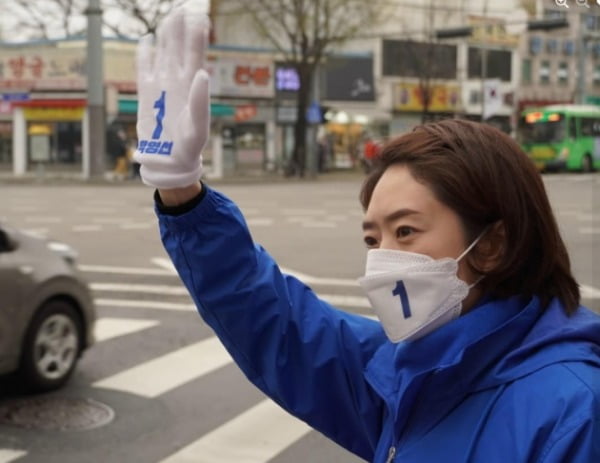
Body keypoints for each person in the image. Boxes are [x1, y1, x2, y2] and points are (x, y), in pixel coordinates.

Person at [133, 7, 600, 462]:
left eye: (406, 230)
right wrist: (182, 193)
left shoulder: (573, 413)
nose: (383, 259)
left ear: (494, 244)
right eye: (372, 240)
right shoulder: (408, 371)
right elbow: (276, 323)